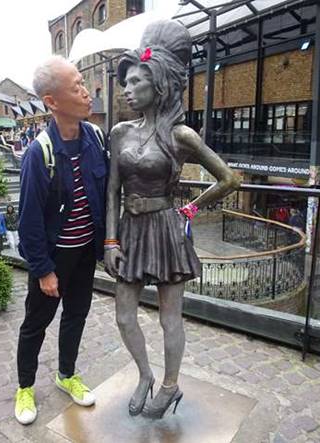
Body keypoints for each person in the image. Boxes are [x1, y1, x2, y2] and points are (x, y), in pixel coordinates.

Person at [105, 20, 240, 419]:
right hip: (130, 230)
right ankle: (145, 375)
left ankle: (170, 385)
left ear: (158, 85)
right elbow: (112, 191)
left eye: (135, 82)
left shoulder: (182, 136)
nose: (126, 90)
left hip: (165, 230)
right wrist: (110, 241)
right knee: (124, 314)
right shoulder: (119, 132)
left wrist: (191, 209)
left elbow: (229, 179)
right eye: (125, 82)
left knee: (170, 318)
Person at [14, 55, 107, 425]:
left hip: (85, 252)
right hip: (54, 258)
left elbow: (107, 195)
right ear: (52, 101)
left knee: (77, 315)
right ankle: (25, 387)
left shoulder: (96, 138)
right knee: (36, 323)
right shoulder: (39, 153)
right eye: (77, 87)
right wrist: (43, 270)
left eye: (83, 83)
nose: (86, 93)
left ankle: (66, 374)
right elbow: (29, 220)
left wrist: (109, 244)